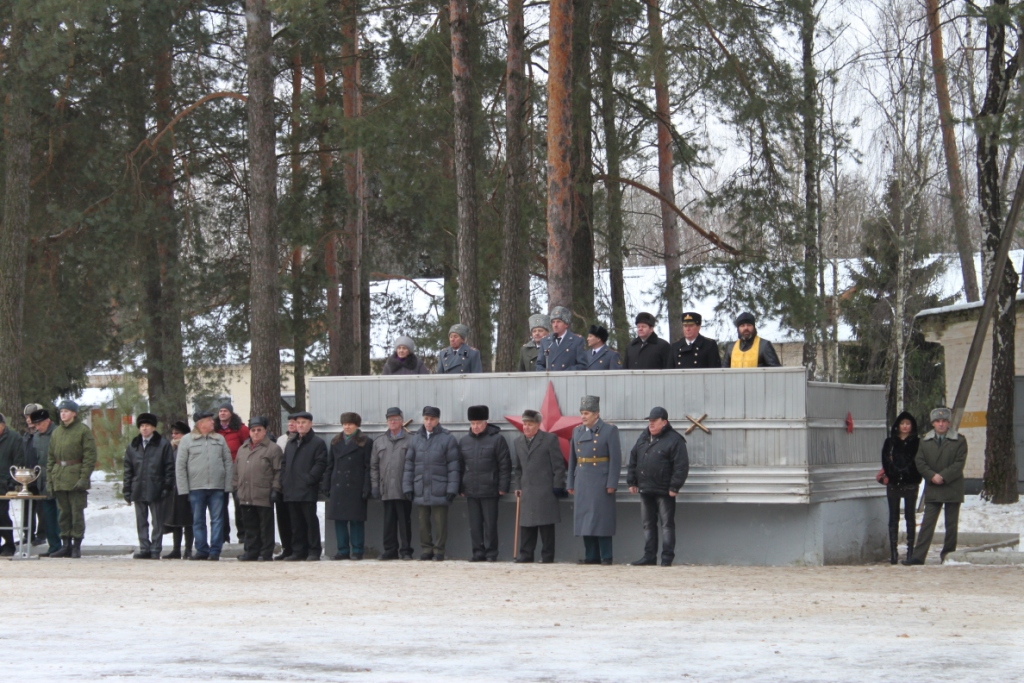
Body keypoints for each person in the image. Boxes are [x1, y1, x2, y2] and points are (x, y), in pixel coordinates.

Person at [626, 407, 689, 567]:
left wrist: (675, 487)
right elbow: (633, 458)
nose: (651, 424)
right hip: (645, 488)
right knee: (648, 524)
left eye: (654, 421)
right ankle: (649, 557)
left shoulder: (675, 439)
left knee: (667, 525)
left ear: (664, 422)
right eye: (649, 421)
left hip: (665, 490)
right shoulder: (644, 437)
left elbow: (681, 466)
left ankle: (667, 558)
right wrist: (632, 481)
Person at [905, 407, 967, 566]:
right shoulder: (924, 441)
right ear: (933, 423)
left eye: (944, 421)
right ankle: (918, 556)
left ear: (948, 423)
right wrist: (932, 476)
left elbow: (959, 463)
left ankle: (948, 555)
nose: (941, 424)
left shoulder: (959, 440)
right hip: (933, 486)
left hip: (952, 486)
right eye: (938, 421)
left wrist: (943, 476)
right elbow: (920, 461)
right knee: (927, 523)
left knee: (951, 525)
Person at [567, 396, 621, 565]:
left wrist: (612, 483)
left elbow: (616, 459)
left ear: (596, 413)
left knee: (601, 518)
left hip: (600, 480)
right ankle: (591, 556)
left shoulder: (609, 430)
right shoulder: (577, 431)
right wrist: (570, 482)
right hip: (582, 479)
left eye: (587, 413)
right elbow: (572, 459)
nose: (583, 416)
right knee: (584, 518)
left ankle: (606, 556)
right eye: (582, 413)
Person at [403, 406, 460, 561]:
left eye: (432, 419)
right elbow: (409, 465)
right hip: (420, 486)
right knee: (423, 522)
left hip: (440, 487)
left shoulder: (447, 439)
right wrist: (407, 486)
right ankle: (426, 549)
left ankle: (439, 550)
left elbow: (454, 466)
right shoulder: (416, 439)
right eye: (426, 419)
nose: (429, 422)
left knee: (440, 522)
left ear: (438, 420)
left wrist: (452, 488)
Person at [175, 410, 233, 561]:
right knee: (198, 520)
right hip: (196, 488)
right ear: (200, 424)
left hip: (217, 487)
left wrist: (228, 486)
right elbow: (180, 466)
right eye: (209, 420)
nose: (213, 422)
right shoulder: (187, 440)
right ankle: (201, 549)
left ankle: (215, 551)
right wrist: (183, 489)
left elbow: (228, 462)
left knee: (218, 520)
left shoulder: (220, 439)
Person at [511, 409, 567, 563]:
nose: (526, 427)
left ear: (538, 425)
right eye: (524, 424)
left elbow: (558, 466)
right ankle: (526, 555)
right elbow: (518, 469)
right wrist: (518, 486)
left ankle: (547, 556)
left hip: (546, 490)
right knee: (527, 524)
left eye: (530, 424)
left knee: (546, 525)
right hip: (527, 490)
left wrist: (557, 485)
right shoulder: (518, 442)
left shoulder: (549, 440)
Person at [45, 400, 97, 559]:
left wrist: (83, 478)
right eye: (61, 411)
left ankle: (76, 546)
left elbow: (89, 456)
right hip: (60, 476)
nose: (63, 414)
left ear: (74, 413)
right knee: (63, 514)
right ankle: (65, 544)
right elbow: (51, 458)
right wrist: (50, 479)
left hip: (75, 478)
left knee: (76, 513)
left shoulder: (83, 431)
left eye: (66, 411)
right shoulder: (56, 432)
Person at [459, 405, 511, 562]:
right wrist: (461, 487)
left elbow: (504, 465)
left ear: (486, 423)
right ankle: (477, 552)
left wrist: (503, 487)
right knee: (474, 525)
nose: (475, 427)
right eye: (473, 423)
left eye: (478, 423)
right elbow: (460, 466)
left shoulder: (497, 439)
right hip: (471, 490)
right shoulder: (464, 441)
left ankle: (491, 553)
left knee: (490, 524)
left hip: (490, 489)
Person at [122, 412, 176, 560]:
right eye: (142, 426)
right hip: (138, 487)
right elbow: (128, 469)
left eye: (147, 425)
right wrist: (127, 488)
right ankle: (144, 547)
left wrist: (167, 486)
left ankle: (155, 548)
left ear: (153, 427)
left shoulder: (162, 444)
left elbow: (169, 468)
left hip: (156, 488)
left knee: (157, 521)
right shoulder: (133, 445)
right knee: (141, 521)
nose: (144, 429)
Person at [232, 416, 283, 562]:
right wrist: (235, 488)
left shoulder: (273, 449)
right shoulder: (243, 449)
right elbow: (236, 471)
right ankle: (251, 551)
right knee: (249, 525)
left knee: (265, 525)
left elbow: (278, 471)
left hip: (263, 493)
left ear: (265, 431)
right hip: (245, 493)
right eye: (253, 430)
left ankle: (266, 552)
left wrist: (275, 489)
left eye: (259, 430)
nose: (255, 433)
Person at [325, 412, 373, 560]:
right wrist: (327, 484)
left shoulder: (365, 442)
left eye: (350, 424)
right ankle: (342, 550)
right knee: (340, 520)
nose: (347, 427)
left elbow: (368, 467)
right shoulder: (335, 441)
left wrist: (366, 486)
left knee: (356, 520)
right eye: (344, 424)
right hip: (338, 485)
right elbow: (330, 465)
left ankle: (357, 550)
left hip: (355, 485)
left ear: (357, 425)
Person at [281, 411, 328, 561]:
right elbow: (284, 464)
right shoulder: (291, 443)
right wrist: (285, 480)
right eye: (298, 423)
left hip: (307, 489)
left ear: (310, 424)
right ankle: (298, 551)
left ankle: (313, 551)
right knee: (295, 523)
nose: (300, 425)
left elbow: (320, 463)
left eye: (304, 423)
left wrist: (310, 479)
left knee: (310, 521)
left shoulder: (317, 443)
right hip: (291, 489)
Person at [371, 407, 414, 560]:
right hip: (386, 489)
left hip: (404, 489)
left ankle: (406, 551)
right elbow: (374, 466)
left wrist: (411, 486)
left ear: (402, 421)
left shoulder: (411, 440)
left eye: (396, 419)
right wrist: (375, 486)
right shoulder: (379, 441)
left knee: (404, 522)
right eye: (390, 420)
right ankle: (390, 550)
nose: (393, 422)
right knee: (388, 523)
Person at [880, 411, 922, 565]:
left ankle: (910, 550)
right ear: (897, 425)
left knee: (910, 517)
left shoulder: (917, 442)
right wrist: (893, 473)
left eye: (908, 423)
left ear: (912, 426)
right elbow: (885, 460)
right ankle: (894, 552)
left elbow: (919, 461)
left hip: (911, 482)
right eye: (902, 423)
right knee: (893, 517)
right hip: (893, 482)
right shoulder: (890, 442)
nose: (905, 426)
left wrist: (910, 473)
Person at [26, 408, 62, 557]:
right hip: (42, 480)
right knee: (47, 514)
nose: (38, 427)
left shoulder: (58, 433)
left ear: (47, 421)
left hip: (58, 477)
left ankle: (63, 545)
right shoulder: (36, 437)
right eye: (35, 425)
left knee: (60, 513)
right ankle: (53, 546)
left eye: (39, 424)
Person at [214, 402, 249, 544]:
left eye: (225, 411)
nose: (222, 413)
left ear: (231, 413)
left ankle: (243, 535)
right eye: (220, 411)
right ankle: (223, 537)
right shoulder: (214, 430)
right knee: (219, 506)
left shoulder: (241, 429)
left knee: (239, 504)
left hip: (236, 471)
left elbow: (247, 448)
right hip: (218, 471)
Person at [162, 421, 194, 559]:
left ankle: (188, 549)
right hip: (173, 489)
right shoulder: (171, 448)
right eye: (173, 433)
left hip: (187, 488)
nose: (174, 436)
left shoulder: (189, 447)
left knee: (188, 521)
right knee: (175, 521)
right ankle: (176, 549)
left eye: (177, 433)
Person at [0, 413, 26, 556]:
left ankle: (9, 543)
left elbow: (19, 462)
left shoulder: (14, 438)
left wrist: (12, 482)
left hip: (4, 483)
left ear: (3, 425)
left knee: (1, 514)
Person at [21, 403, 46, 544]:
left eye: (31, 416)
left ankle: (42, 535)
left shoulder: (43, 435)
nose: (28, 419)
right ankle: (27, 534)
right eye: (26, 417)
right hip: (27, 477)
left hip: (41, 477)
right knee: (26, 508)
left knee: (41, 508)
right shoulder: (25, 436)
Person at [274, 415, 297, 559]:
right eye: (289, 422)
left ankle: (298, 548)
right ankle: (286, 547)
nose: (291, 424)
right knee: (283, 519)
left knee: (295, 518)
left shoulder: (303, 440)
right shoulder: (281, 440)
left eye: (294, 422)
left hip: (296, 485)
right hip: (282, 483)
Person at [536, 306, 588, 371]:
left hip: (568, 379)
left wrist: (564, 374)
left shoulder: (577, 341)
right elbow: (539, 365)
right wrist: (546, 374)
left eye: (558, 322)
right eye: (553, 322)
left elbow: (582, 365)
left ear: (566, 324)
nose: (555, 325)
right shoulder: (545, 341)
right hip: (550, 380)